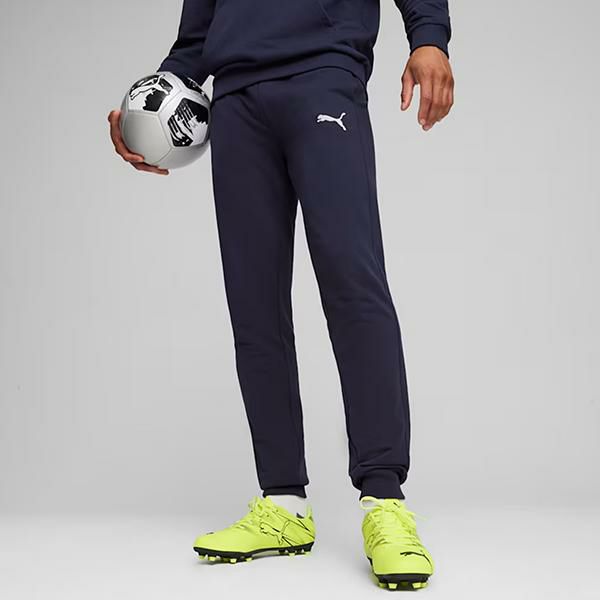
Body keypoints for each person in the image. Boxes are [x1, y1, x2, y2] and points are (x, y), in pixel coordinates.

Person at [108, 0, 453, 590]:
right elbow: (196, 35)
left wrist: (429, 37)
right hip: (235, 101)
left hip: (323, 75)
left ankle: (385, 500)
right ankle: (283, 502)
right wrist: (148, 109)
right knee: (253, 302)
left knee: (352, 284)